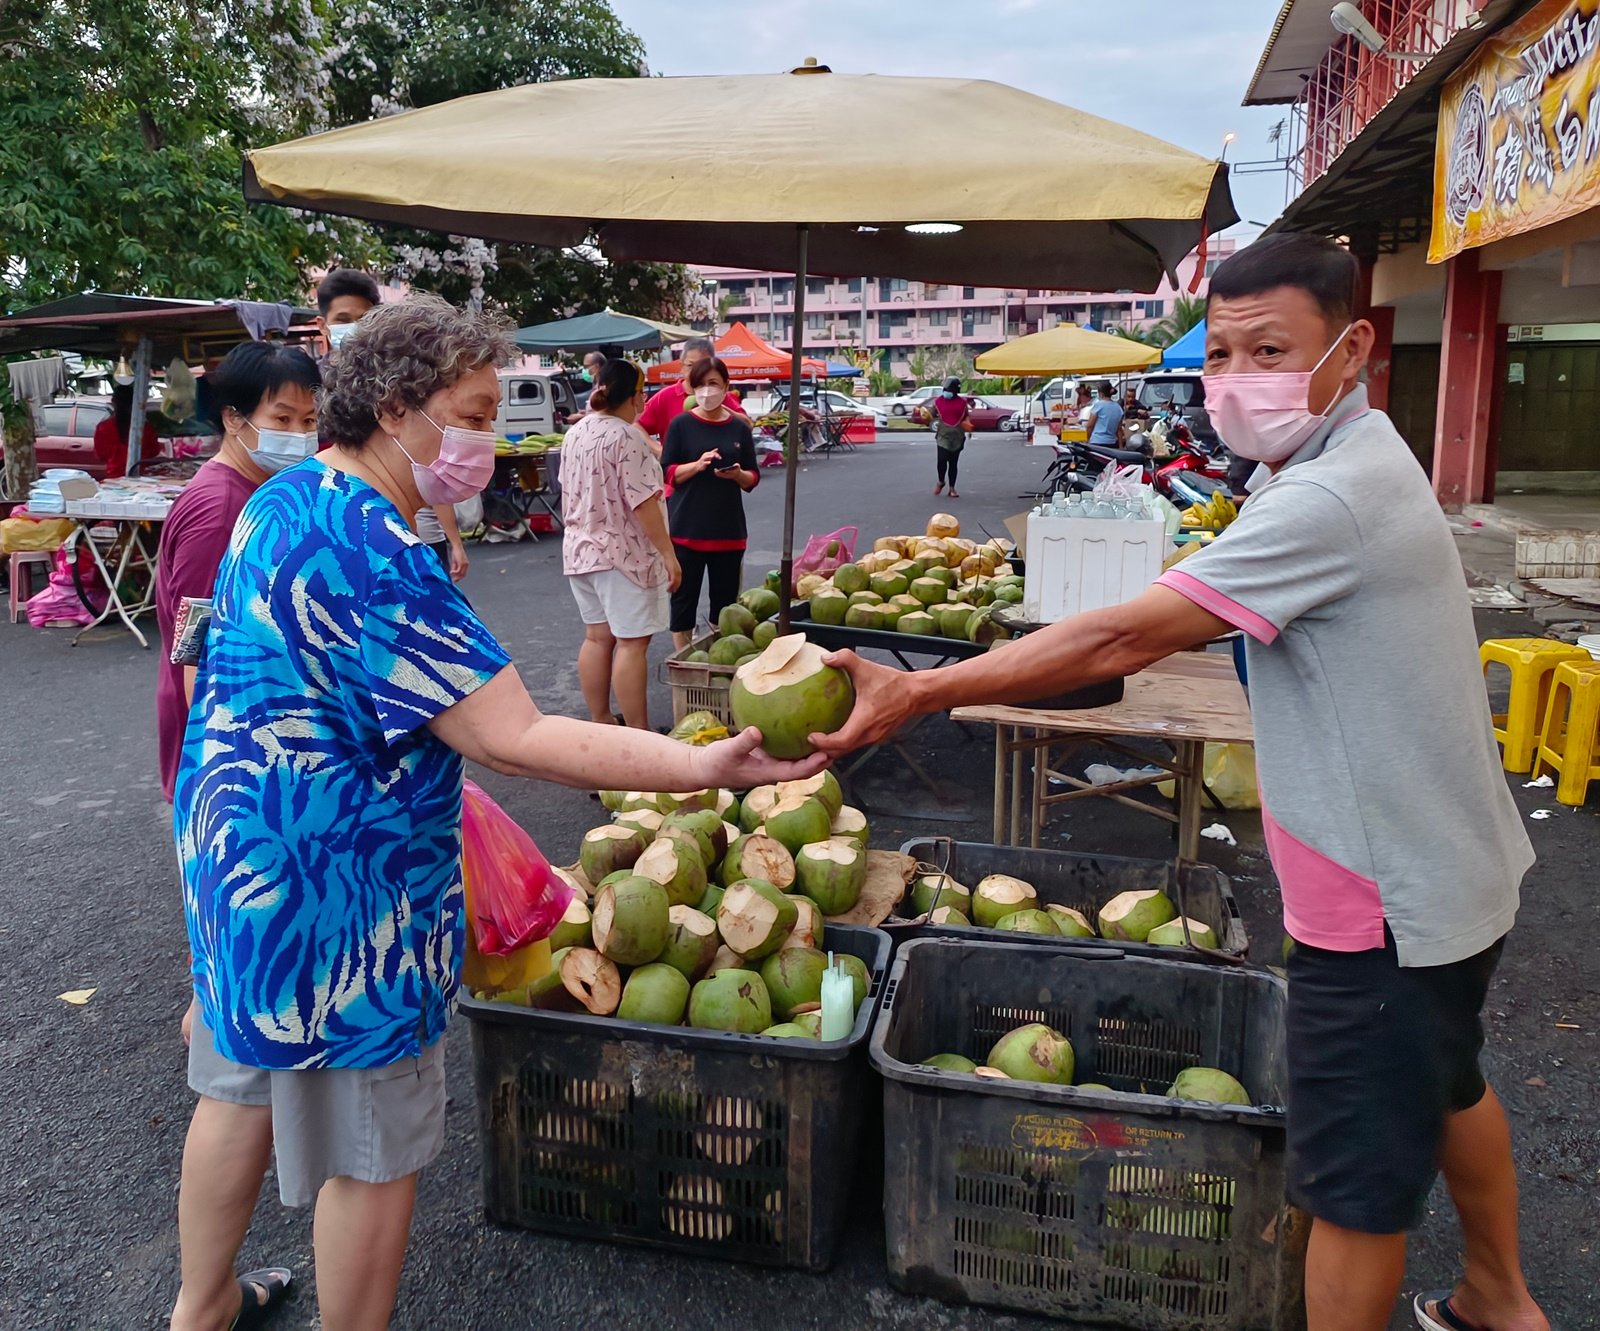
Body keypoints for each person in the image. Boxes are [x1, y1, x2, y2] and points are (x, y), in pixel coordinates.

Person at [812, 234, 1547, 1331]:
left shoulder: (1328, 499)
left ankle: (1498, 1297)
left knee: (1348, 1183)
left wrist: (920, 691)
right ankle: (1498, 1296)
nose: (1241, 377)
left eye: (1273, 349)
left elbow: (1117, 637)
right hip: (1452, 865)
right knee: (1445, 1081)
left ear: (1349, 348)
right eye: (1225, 353)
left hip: (1383, 898)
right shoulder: (1351, 452)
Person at [169, 295, 820, 1331]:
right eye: (472, 412)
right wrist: (710, 768)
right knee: (373, 1152)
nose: (487, 437)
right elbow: (516, 735)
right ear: (394, 405)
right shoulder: (377, 551)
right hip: (346, 886)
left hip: (234, 842)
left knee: (240, 1077)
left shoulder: (284, 499)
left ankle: (198, 1309)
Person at [153, 340, 322, 1326]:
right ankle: (202, 1304)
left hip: (226, 782)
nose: (298, 431)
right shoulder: (221, 507)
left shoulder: (250, 497)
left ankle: (209, 1296)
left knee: (228, 1034)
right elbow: (199, 658)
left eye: (310, 415)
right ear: (234, 415)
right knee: (238, 1055)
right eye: (285, 414)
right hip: (234, 789)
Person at [561, 358, 680, 728]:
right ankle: (638, 735)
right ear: (636, 395)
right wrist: (668, 554)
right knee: (631, 643)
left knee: (597, 639)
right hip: (622, 555)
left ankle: (603, 723)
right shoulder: (626, 436)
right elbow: (643, 500)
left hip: (580, 551)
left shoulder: (576, 433)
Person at [660, 355, 759, 649]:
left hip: (728, 533)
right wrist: (697, 465)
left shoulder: (739, 428)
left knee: (725, 609)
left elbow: (753, 477)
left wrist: (738, 475)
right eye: (700, 384)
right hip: (686, 531)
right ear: (692, 389)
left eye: (713, 384)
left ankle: (720, 660)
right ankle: (685, 663)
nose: (707, 391)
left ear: (726, 387)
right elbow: (667, 472)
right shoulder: (680, 425)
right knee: (682, 607)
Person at [637, 335, 744, 455]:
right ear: (681, 367)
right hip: (677, 469)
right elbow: (636, 425)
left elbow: (746, 425)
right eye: (690, 365)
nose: (696, 371)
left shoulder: (719, 395)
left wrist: (719, 406)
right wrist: (658, 450)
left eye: (703, 365)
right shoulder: (665, 396)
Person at [92, 381, 160, 479]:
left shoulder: (103, 427)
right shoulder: (144, 427)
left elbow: (100, 455)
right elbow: (154, 451)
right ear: (134, 403)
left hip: (114, 477)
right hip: (141, 476)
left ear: (113, 402)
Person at [315, 268, 381, 356]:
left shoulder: (398, 368)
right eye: (343, 320)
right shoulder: (310, 370)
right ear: (322, 325)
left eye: (365, 320)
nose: (355, 330)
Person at [928, 376, 971, 498]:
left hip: (957, 436)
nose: (946, 393)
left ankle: (952, 488)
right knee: (941, 460)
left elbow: (966, 417)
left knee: (953, 463)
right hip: (943, 435)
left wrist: (969, 425)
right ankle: (941, 481)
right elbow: (930, 414)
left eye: (949, 391)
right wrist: (924, 415)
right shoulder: (938, 401)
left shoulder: (962, 403)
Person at [1083, 380, 1125, 446]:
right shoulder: (1118, 408)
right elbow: (1119, 429)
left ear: (1101, 393)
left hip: (1097, 442)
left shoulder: (1098, 406)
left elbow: (1090, 426)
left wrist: (1088, 440)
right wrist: (1121, 446)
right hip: (1111, 443)